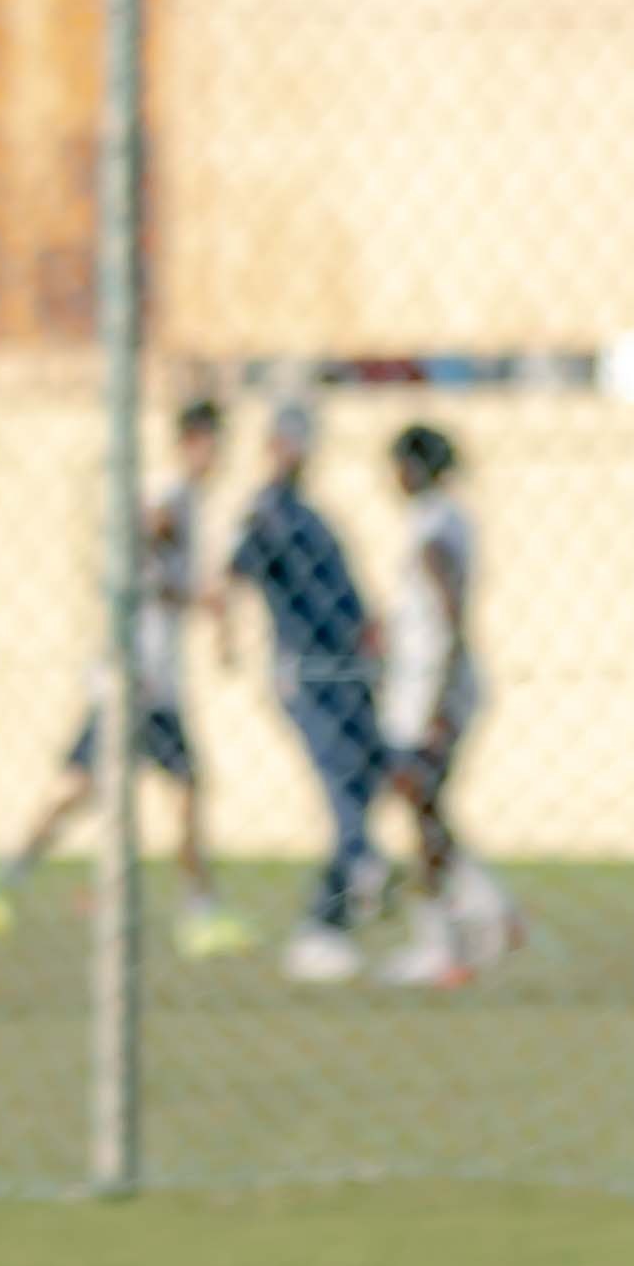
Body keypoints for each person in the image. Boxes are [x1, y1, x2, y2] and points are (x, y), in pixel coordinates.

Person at [0, 391, 254, 959]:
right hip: (141, 679)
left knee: (96, 788)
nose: (216, 457)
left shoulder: (188, 504)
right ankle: (197, 912)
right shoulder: (171, 498)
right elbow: (142, 553)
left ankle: (8, 875)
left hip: (145, 676)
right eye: (209, 445)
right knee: (175, 792)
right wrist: (191, 594)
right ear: (189, 444)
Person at [216, 396, 391, 985]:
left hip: (348, 670)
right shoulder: (266, 514)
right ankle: (339, 905)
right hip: (309, 673)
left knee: (365, 786)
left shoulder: (313, 517)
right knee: (344, 790)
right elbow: (232, 577)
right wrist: (227, 640)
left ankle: (336, 916)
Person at [372, 420, 523, 987]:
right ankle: (488, 909)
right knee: (423, 806)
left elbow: (449, 608)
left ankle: (442, 943)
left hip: (432, 688)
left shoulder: (435, 527)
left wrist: (439, 697)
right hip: (427, 684)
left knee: (422, 808)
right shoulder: (444, 521)